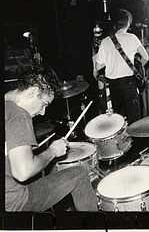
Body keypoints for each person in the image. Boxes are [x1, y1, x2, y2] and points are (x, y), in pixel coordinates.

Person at [5, 73, 98, 211]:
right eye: (44, 104)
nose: (43, 112)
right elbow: (23, 172)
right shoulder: (19, 116)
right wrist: (53, 151)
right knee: (79, 174)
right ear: (34, 91)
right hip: (15, 203)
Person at [94, 9, 149, 124]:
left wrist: (112, 62)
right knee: (134, 120)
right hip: (129, 84)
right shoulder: (132, 37)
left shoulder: (105, 41)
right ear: (128, 23)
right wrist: (135, 68)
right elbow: (146, 57)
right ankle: (136, 141)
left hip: (113, 86)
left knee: (117, 121)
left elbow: (98, 66)